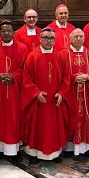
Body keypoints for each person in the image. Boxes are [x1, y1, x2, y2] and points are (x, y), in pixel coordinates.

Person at [21, 28, 76, 163]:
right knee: (37, 126)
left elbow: (66, 78)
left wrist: (62, 93)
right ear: (40, 39)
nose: (48, 40)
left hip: (55, 100)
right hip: (39, 101)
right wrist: (36, 93)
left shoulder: (60, 56)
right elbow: (26, 79)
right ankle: (35, 153)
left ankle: (54, 154)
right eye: (45, 38)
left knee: (54, 127)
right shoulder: (32, 56)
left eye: (51, 38)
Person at [0, 21, 28, 159]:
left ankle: (12, 149)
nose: (6, 33)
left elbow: (26, 70)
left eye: (9, 30)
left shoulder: (22, 48)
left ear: (14, 33)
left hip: (15, 91)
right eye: (3, 31)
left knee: (13, 119)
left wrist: (14, 77)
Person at [61, 29, 89, 157]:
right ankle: (69, 148)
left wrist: (88, 77)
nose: (79, 38)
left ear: (84, 38)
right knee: (70, 117)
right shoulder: (63, 54)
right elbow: (59, 74)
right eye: (76, 36)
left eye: (81, 36)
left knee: (85, 118)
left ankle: (83, 148)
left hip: (86, 93)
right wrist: (73, 78)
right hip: (70, 93)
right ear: (70, 38)